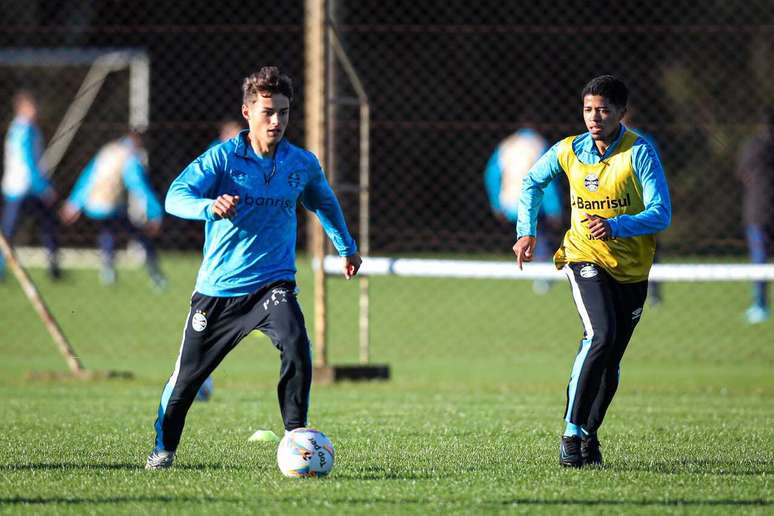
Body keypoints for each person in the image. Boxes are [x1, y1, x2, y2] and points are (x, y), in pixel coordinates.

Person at [145, 66, 361, 470]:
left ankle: (298, 437)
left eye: (283, 111)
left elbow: (323, 201)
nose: (276, 120)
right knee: (187, 381)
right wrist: (208, 207)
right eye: (267, 112)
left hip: (272, 285)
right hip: (219, 291)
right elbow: (176, 195)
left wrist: (346, 247)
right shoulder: (224, 158)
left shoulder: (301, 163)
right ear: (247, 113)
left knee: (296, 341)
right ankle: (163, 447)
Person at [513, 75, 671, 468]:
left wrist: (617, 224)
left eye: (602, 109)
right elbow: (531, 182)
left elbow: (661, 213)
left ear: (621, 112)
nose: (594, 117)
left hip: (632, 267)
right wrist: (526, 232)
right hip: (584, 255)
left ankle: (588, 434)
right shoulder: (569, 150)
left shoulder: (640, 153)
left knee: (611, 359)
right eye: (588, 109)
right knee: (600, 335)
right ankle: (570, 433)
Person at [59, 130, 166, 288]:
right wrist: (155, 213)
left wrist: (73, 203)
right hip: (111, 206)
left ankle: (108, 273)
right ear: (138, 142)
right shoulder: (129, 157)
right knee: (141, 235)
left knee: (108, 233)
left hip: (94, 205)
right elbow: (139, 186)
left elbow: (88, 177)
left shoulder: (108, 150)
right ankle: (156, 275)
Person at [484, 126, 563, 294]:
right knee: (539, 236)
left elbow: (491, 174)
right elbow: (546, 179)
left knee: (530, 236)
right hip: (536, 204)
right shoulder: (538, 144)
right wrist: (553, 209)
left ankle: (536, 269)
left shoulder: (507, 144)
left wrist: (497, 204)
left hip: (510, 202)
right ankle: (542, 275)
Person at [1, 90, 60, 279]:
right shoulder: (23, 130)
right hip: (21, 188)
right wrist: (44, 188)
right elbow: (29, 163)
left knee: (47, 225)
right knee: (9, 231)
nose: (35, 110)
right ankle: (1, 268)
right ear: (22, 108)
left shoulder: (28, 129)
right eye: (32, 106)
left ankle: (53, 268)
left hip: (27, 188)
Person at [621, 106, 663, 306]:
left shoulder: (621, 143)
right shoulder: (647, 141)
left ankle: (644, 292)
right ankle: (653, 293)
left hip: (628, 207)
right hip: (643, 207)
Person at [736, 107, 773, 324]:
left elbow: (743, 174)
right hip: (760, 211)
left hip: (757, 211)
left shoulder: (752, 147)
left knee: (759, 260)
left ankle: (760, 305)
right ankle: (759, 305)